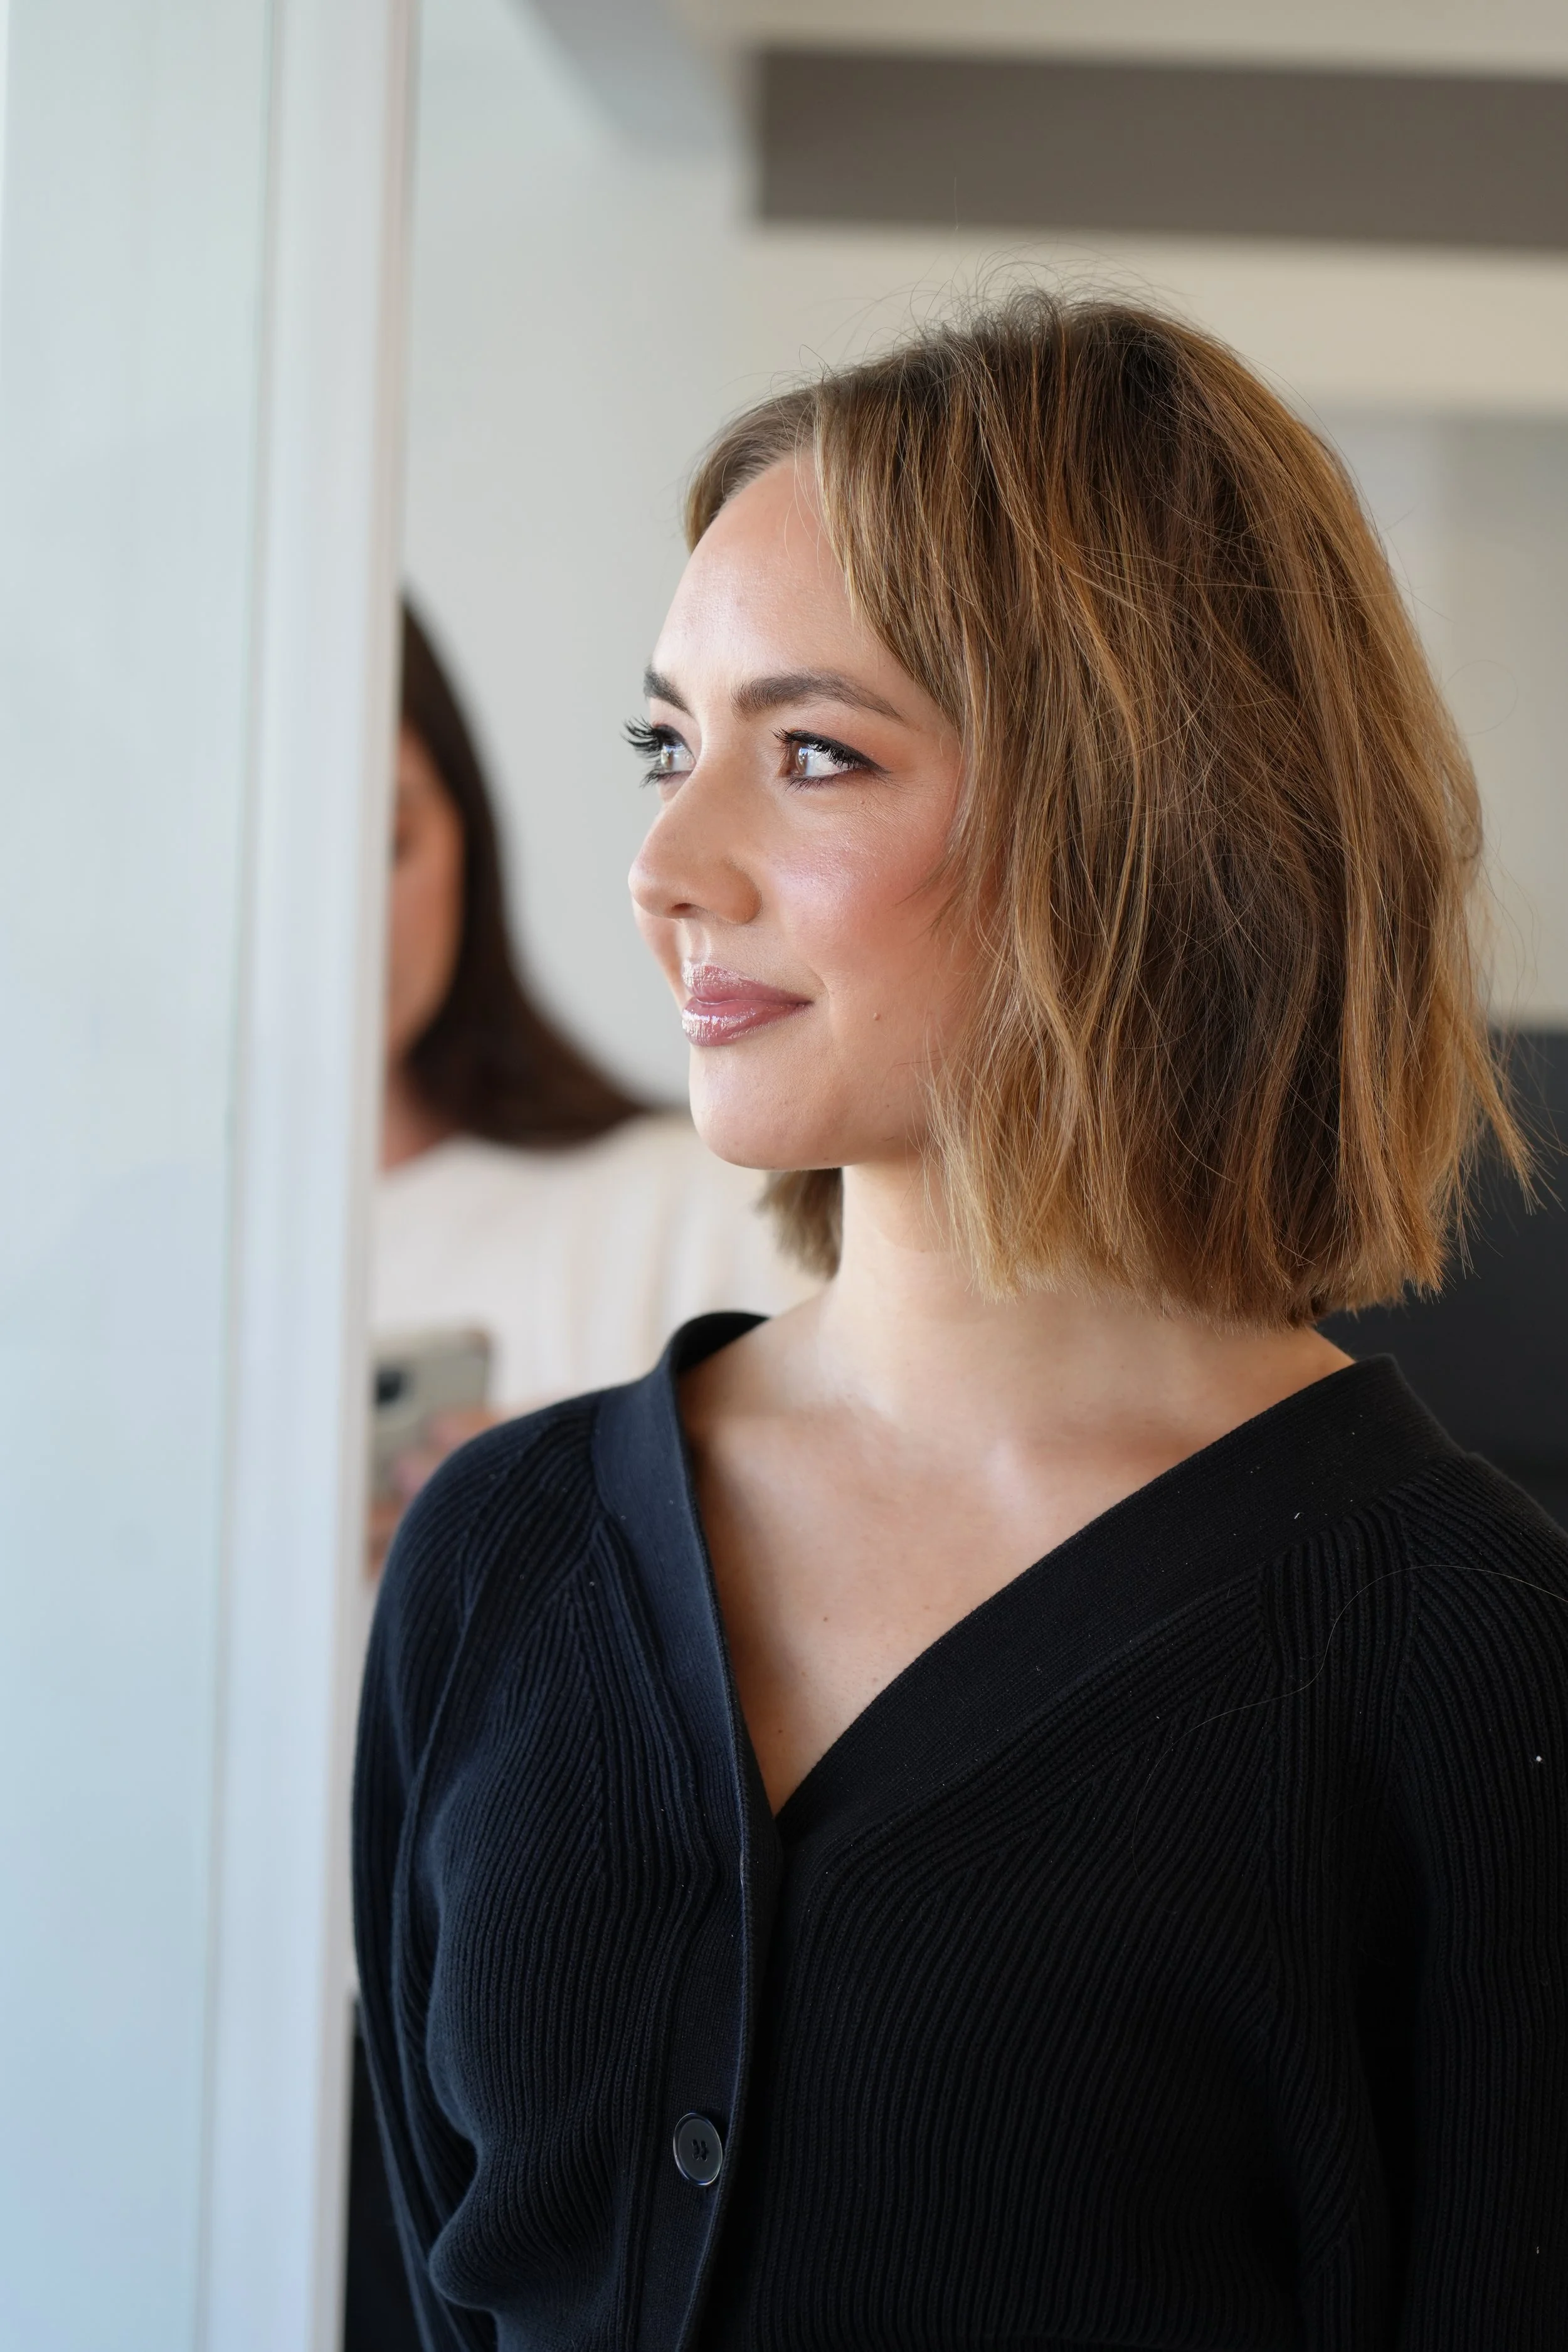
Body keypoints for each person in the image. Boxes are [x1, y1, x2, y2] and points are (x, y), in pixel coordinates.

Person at [355, 297, 1568, 2349]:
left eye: (813, 754)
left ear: (1140, 818)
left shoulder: (1464, 1675)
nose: (663, 866)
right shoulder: (502, 1555)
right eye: (667, 745)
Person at [369, 603, 812, 1565]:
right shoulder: (100, 1278)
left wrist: (631, 1524)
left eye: (387, 845)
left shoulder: (705, 1213)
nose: (338, 915)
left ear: (467, 836)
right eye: (669, 752)